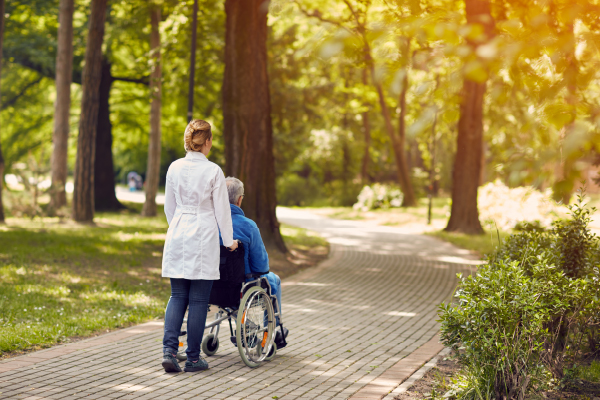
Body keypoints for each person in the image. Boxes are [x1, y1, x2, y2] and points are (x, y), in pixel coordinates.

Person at [161, 119, 238, 373]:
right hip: (203, 236)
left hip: (178, 233)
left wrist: (178, 227)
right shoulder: (213, 171)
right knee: (197, 300)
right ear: (207, 142)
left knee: (177, 295)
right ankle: (193, 359)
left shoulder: (174, 167)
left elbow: (169, 207)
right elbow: (222, 212)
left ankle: (170, 352)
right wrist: (229, 242)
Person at [223, 177, 288, 348]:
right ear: (239, 199)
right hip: (243, 285)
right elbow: (261, 266)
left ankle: (246, 325)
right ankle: (275, 329)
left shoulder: (209, 223)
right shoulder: (248, 226)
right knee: (274, 279)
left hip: (213, 285)